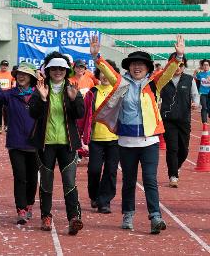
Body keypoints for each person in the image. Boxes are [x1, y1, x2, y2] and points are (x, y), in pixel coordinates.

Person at [90, 34, 185, 234]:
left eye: (141, 64)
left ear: (148, 67)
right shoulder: (121, 83)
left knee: (150, 180)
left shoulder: (153, 84)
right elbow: (106, 69)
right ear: (128, 67)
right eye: (133, 64)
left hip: (149, 142)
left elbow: (168, 72)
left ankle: (155, 216)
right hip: (126, 142)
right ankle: (128, 214)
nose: (137, 67)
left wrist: (178, 55)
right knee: (129, 181)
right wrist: (97, 56)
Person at [29, 51, 85, 235]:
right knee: (46, 181)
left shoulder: (72, 88)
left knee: (69, 182)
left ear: (67, 71)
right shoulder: (40, 88)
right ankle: (46, 215)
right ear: (48, 70)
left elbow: (80, 114)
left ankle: (74, 218)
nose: (58, 71)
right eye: (54, 68)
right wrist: (43, 99)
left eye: (61, 68)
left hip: (67, 144)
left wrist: (74, 99)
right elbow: (33, 114)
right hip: (46, 144)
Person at [0, 62, 39, 225]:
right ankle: (21, 209)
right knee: (20, 177)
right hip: (15, 143)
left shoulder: (40, 94)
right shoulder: (10, 94)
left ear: (31, 78)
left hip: (35, 143)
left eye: (25, 74)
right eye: (18, 74)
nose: (21, 76)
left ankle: (29, 204)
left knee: (32, 178)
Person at [79, 59, 120, 214]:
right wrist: (82, 138)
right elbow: (83, 116)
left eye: (107, 72)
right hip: (96, 140)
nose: (104, 75)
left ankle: (105, 201)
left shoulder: (118, 91)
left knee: (110, 171)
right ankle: (94, 196)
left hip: (115, 140)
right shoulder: (92, 93)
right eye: (101, 72)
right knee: (94, 170)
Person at [160, 53, 199, 188]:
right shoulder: (163, 79)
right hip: (168, 119)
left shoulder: (189, 80)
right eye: (175, 64)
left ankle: (176, 167)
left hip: (184, 119)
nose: (178, 67)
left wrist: (195, 103)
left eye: (181, 64)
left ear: (184, 66)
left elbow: (195, 95)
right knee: (172, 148)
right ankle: (173, 176)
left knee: (184, 150)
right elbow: (156, 95)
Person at [0, 60, 15, 133]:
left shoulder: (11, 74)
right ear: (0, 66)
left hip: (7, 94)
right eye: (3, 65)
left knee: (6, 111)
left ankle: (6, 125)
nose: (4, 67)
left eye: (6, 65)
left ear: (8, 67)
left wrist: (13, 85)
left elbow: (14, 82)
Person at [194, 59, 210, 123]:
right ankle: (204, 122)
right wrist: (195, 72)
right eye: (204, 65)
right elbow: (194, 77)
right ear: (202, 66)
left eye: (207, 65)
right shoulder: (200, 74)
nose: (205, 66)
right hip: (202, 93)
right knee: (204, 107)